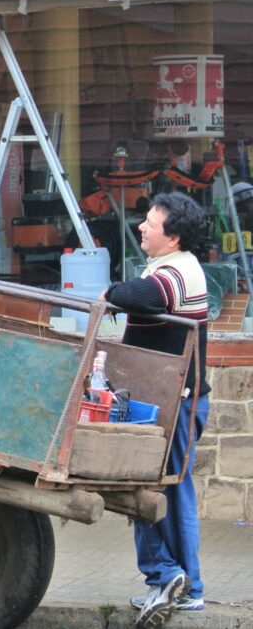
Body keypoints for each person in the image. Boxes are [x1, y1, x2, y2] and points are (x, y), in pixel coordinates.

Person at [100, 192, 210, 629]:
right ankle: (177, 581)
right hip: (170, 398)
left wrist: (110, 290)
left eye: (150, 222)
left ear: (174, 236)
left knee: (156, 488)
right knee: (163, 488)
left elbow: (138, 294)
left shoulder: (178, 271)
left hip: (175, 402)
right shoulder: (173, 265)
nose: (142, 227)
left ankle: (173, 578)